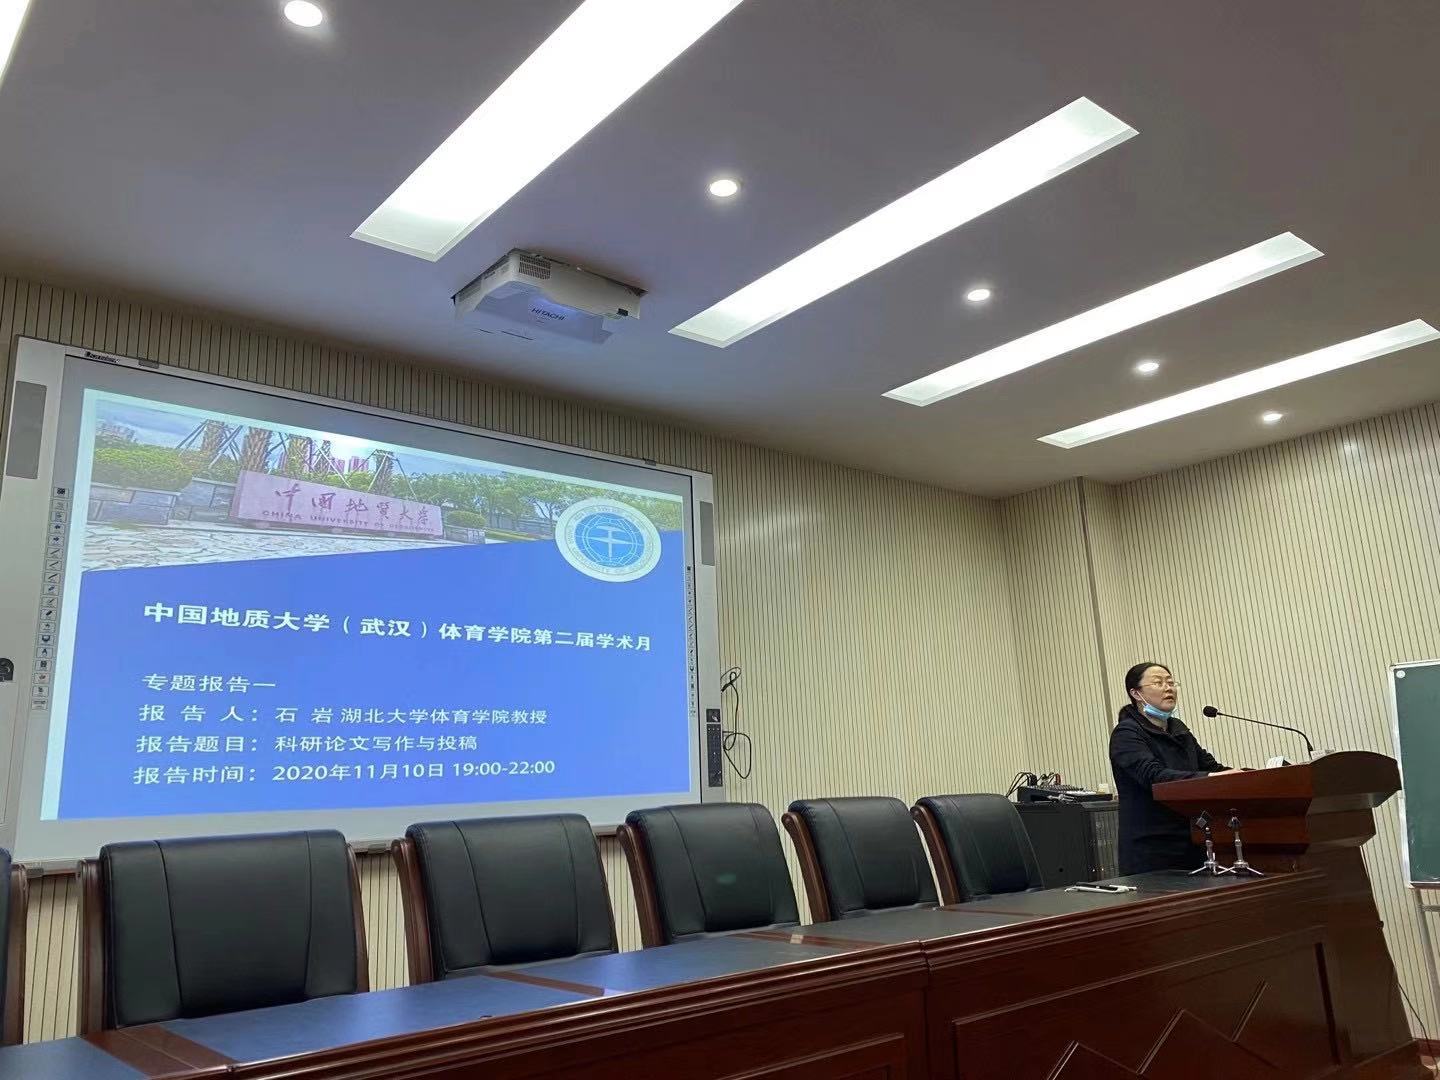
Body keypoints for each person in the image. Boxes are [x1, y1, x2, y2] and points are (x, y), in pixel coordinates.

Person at [1109, 661, 1239, 875]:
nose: (1168, 688)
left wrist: (1247, 775)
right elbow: (1154, 776)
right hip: (1152, 849)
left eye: (1171, 683)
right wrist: (1211, 776)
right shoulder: (1126, 734)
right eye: (1158, 683)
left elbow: (1212, 767)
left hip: (1192, 840)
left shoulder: (1179, 730)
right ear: (1136, 693)